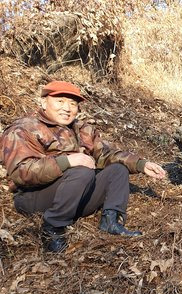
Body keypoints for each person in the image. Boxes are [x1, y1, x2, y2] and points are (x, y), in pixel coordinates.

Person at [0, 80, 167, 253]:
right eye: (60, 101)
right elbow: (22, 172)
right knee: (82, 171)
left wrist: (141, 164)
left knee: (117, 170)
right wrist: (68, 161)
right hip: (33, 197)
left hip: (73, 193)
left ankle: (110, 221)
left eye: (73, 104)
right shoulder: (23, 129)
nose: (67, 108)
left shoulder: (81, 129)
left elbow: (105, 155)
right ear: (43, 102)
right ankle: (53, 230)